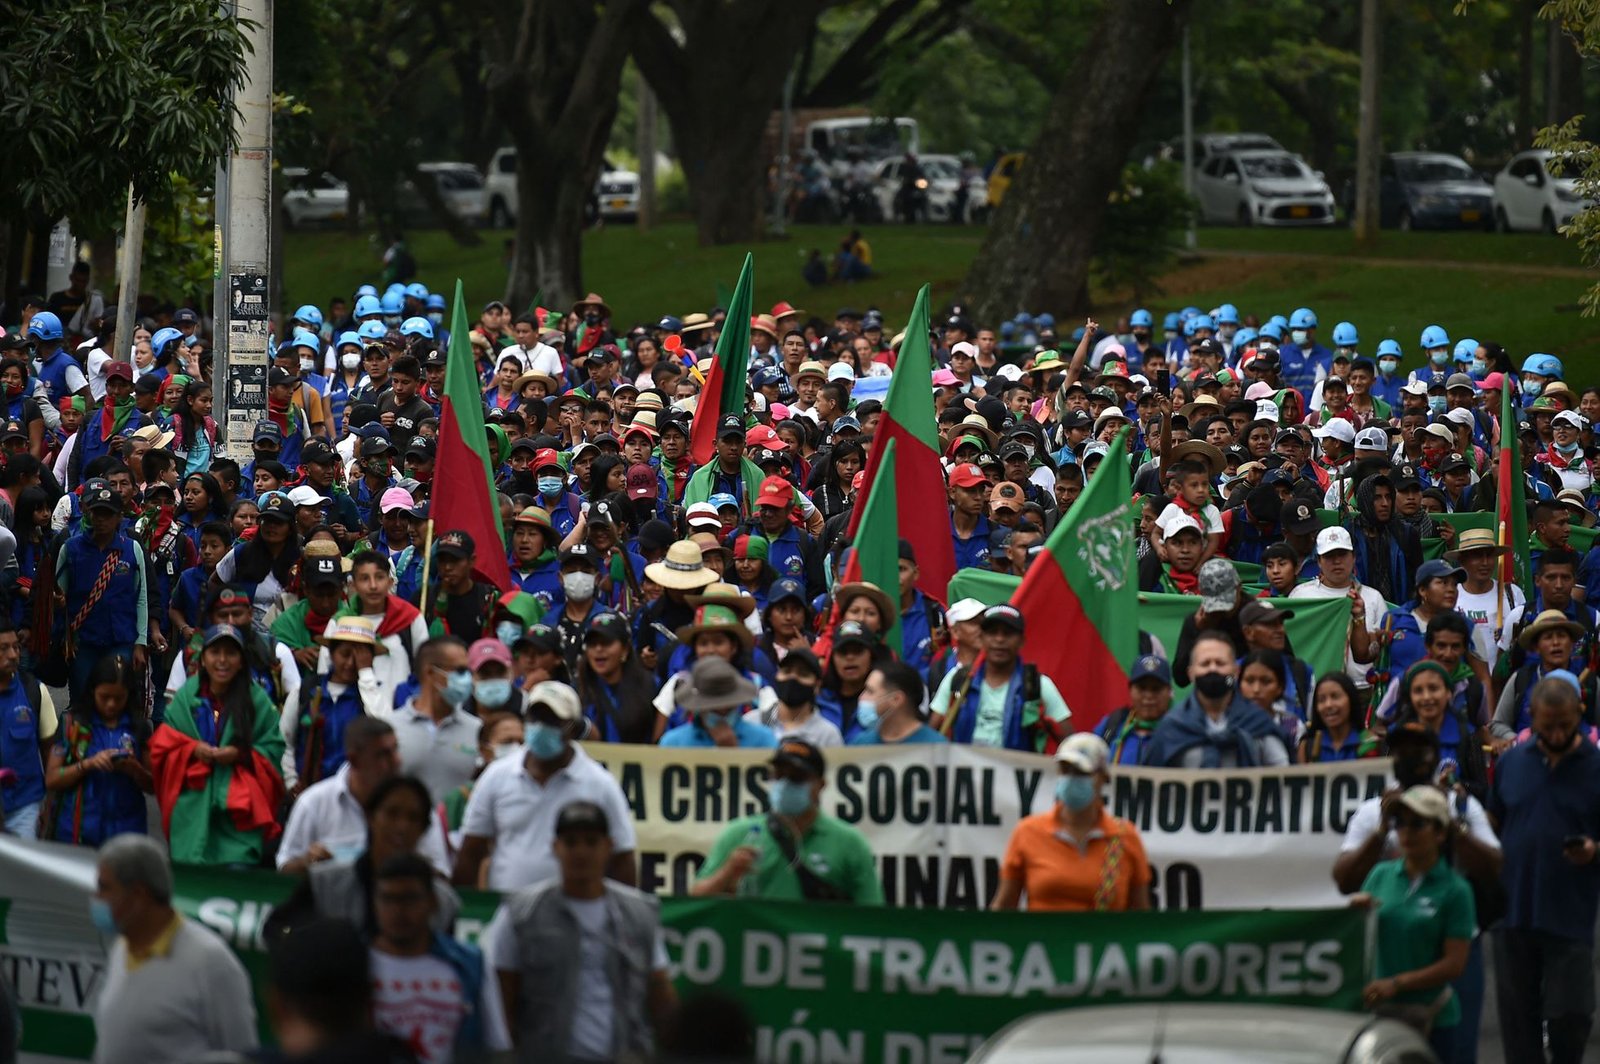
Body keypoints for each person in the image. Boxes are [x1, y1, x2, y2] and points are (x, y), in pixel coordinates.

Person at [485, 800, 677, 1056]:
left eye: (591, 842)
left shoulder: (639, 914)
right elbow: (501, 1000)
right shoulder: (520, 913)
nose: (581, 852)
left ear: (608, 847)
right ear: (555, 848)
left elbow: (661, 1000)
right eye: (571, 842)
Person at [1489, 675, 1600, 1064]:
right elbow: (1496, 821)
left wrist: (1594, 851)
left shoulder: (1596, 766)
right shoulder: (1511, 763)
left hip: (1569, 914)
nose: (1555, 732)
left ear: (1579, 714)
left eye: (1564, 724)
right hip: (1513, 914)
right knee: (1519, 1025)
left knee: (1570, 1018)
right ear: (1531, 717)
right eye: (1546, 724)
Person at [90, 835, 258, 1064]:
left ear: (138, 895)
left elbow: (242, 1054)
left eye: (104, 888)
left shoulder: (210, 961)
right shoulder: (122, 949)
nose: (96, 898)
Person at [454, 681, 636, 891]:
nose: (541, 726)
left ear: (573, 727)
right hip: (510, 912)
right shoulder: (498, 776)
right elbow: (471, 850)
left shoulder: (599, 784)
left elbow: (622, 858)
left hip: (574, 915)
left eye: (551, 720)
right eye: (535, 717)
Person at [1354, 785, 1477, 1061]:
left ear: (1440, 832)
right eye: (1400, 823)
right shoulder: (1380, 875)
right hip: (1380, 1016)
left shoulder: (1456, 891)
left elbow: (1454, 964)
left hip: (1433, 1020)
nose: (1406, 832)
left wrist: (1396, 984)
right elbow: (1359, 935)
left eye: (1418, 824)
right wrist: (1354, 914)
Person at [148, 624, 285, 866]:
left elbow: (274, 748)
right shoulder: (187, 697)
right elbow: (162, 746)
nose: (222, 660)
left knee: (236, 878)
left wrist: (240, 754)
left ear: (242, 661)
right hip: (192, 807)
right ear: (203, 659)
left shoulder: (257, 700)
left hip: (238, 812)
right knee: (190, 883)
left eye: (231, 653)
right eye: (215, 653)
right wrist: (191, 749)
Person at [693, 739, 882, 903]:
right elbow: (695, 897)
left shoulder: (849, 842)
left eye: (796, 778)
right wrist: (727, 872)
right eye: (778, 775)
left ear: (821, 785)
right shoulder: (739, 834)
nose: (784, 785)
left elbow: (872, 913)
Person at [369, 852, 507, 1062]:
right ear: (375, 904)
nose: (398, 910)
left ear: (432, 902)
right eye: (388, 899)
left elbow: (496, 1047)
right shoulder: (354, 965)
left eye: (409, 899)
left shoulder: (469, 964)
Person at [991, 734, 1152, 912]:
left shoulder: (1124, 836)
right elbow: (1004, 907)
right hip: (1042, 939)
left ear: (1103, 777)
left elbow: (1141, 917)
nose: (1072, 778)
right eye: (1065, 770)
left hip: (1104, 939)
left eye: (1081, 772)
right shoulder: (1028, 831)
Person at [278, 716, 450, 876]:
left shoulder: (414, 804)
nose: (396, 760)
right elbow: (284, 868)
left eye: (396, 749)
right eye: (383, 754)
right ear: (354, 759)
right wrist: (308, 862)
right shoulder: (314, 803)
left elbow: (441, 873)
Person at [929, 604, 1071, 752]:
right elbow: (930, 736)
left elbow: (1071, 744)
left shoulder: (1038, 685)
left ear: (1021, 641)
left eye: (1008, 633)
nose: (999, 639)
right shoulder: (958, 679)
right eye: (992, 632)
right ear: (982, 638)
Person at [1141, 631, 1290, 767]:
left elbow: (1284, 780)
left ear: (1235, 672)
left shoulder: (1258, 724)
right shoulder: (1172, 728)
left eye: (1220, 663)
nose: (1213, 669)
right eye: (1205, 664)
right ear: (1191, 674)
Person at [390, 636, 482, 803]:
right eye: (460, 671)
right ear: (430, 672)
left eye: (469, 672)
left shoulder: (477, 730)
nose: (468, 680)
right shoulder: (390, 728)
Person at [748, 645, 843, 747]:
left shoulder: (828, 736)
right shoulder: (752, 723)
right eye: (787, 671)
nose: (793, 678)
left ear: (817, 686)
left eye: (803, 674)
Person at [1095, 653, 1173, 765]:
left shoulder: (1180, 731)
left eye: (1156, 689)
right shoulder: (1112, 725)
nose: (1148, 696)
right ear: (1130, 690)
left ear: (1169, 692)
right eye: (1142, 688)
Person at [850, 660, 947, 745]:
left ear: (896, 699)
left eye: (870, 691)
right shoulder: (861, 743)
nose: (861, 697)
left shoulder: (936, 747)